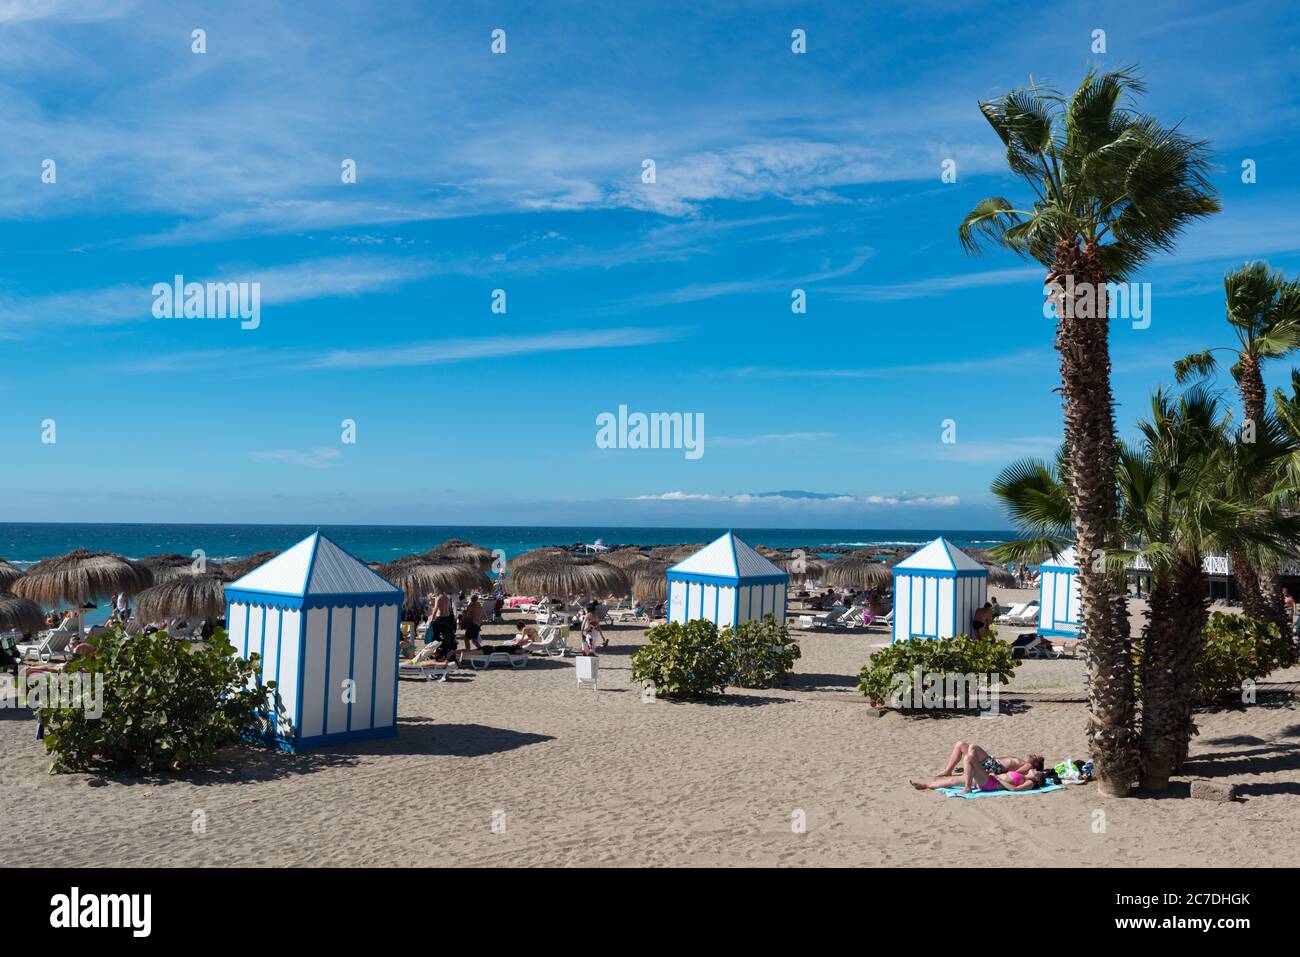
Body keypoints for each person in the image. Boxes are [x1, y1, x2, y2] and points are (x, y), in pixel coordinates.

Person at [911, 741, 1046, 794]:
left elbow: (1015, 789)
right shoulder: (1026, 775)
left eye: (1035, 771)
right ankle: (926, 785)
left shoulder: (1029, 777)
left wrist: (1000, 780)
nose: (1033, 771)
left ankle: (967, 788)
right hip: (991, 777)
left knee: (970, 756)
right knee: (954, 780)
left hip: (992, 779)